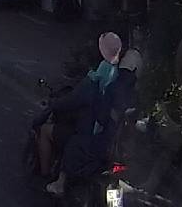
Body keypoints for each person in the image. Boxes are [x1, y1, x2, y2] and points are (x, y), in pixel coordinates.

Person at [40, 32, 124, 196]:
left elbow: (71, 101)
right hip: (107, 142)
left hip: (87, 140)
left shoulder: (95, 80)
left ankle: (52, 180)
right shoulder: (118, 79)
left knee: (46, 131)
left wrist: (53, 104)